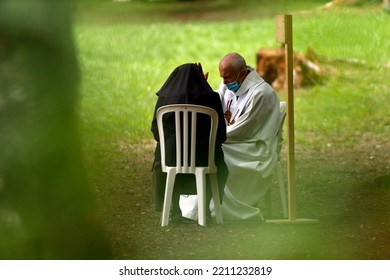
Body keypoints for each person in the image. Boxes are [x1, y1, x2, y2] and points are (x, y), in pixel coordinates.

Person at [180, 52, 281, 221]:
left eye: (227, 77)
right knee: (206, 150)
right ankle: (200, 207)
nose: (224, 82)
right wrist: (202, 88)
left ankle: (212, 207)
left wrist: (211, 136)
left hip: (253, 149)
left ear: (242, 73)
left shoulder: (261, 94)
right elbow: (215, 106)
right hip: (233, 142)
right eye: (222, 78)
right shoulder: (228, 85)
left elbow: (243, 129)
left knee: (212, 153)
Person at [151, 63, 228, 223]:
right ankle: (206, 210)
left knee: (162, 153)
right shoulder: (211, 98)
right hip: (204, 159)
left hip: (171, 160)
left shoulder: (164, 99)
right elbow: (221, 134)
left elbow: (156, 132)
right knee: (217, 158)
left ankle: (176, 211)